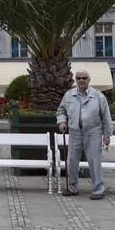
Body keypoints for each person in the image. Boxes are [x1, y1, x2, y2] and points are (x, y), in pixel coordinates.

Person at [56, 69, 112, 200]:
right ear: (75, 80)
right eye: (79, 78)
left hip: (93, 131)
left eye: (84, 78)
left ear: (89, 80)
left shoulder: (98, 96)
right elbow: (61, 111)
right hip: (75, 131)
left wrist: (107, 135)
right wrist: (62, 121)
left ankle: (98, 190)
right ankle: (72, 188)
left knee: (94, 161)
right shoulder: (69, 95)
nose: (81, 80)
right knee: (71, 161)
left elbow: (106, 117)